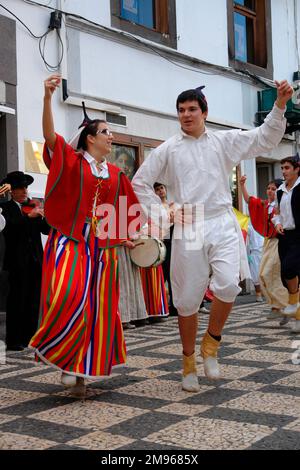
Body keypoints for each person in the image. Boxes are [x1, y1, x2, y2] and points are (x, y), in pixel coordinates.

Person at [132, 80, 293, 392]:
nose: (186, 115)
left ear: (204, 112)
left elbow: (264, 138)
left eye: (192, 109)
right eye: (181, 110)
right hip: (190, 222)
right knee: (188, 299)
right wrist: (164, 213)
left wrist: (280, 105)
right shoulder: (168, 149)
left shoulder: (224, 142)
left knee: (229, 285)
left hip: (221, 220)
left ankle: (212, 343)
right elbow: (140, 182)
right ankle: (189, 360)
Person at [29, 75, 144, 397]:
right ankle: (64, 359)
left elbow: (123, 208)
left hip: (102, 247)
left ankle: (79, 373)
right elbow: (49, 136)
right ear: (90, 138)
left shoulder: (116, 173)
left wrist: (126, 236)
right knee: (69, 294)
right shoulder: (71, 159)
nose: (112, 136)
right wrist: (46, 97)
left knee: (96, 307)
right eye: (106, 132)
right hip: (70, 238)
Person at [0, 172, 50, 351]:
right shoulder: (5, 208)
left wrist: (46, 216)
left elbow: (46, 231)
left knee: (33, 300)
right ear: (11, 191)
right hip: (16, 261)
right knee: (17, 300)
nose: (24, 191)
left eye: (25, 188)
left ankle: (30, 337)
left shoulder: (32, 206)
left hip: (35, 260)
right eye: (20, 188)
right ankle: (14, 340)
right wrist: (28, 218)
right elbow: (10, 228)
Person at [240, 175, 289, 325]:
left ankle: (286, 306)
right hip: (269, 242)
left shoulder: (283, 205)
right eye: (268, 188)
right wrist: (242, 185)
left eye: (273, 189)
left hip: (281, 242)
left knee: (271, 273)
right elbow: (250, 201)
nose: (269, 191)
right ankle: (277, 307)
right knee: (262, 274)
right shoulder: (266, 205)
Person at [272, 154, 300, 333]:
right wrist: (278, 223)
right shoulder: (280, 191)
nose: (283, 171)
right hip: (285, 237)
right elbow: (276, 213)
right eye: (282, 168)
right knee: (285, 276)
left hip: (299, 235)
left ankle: (293, 304)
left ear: (297, 169)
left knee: (290, 268)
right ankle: (298, 318)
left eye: (287, 168)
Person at [153, 182, 178, 316]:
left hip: (174, 240)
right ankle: (159, 305)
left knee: (173, 273)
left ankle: (174, 305)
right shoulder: (155, 207)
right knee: (163, 274)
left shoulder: (172, 204)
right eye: (157, 190)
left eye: (162, 188)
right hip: (162, 240)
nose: (160, 191)